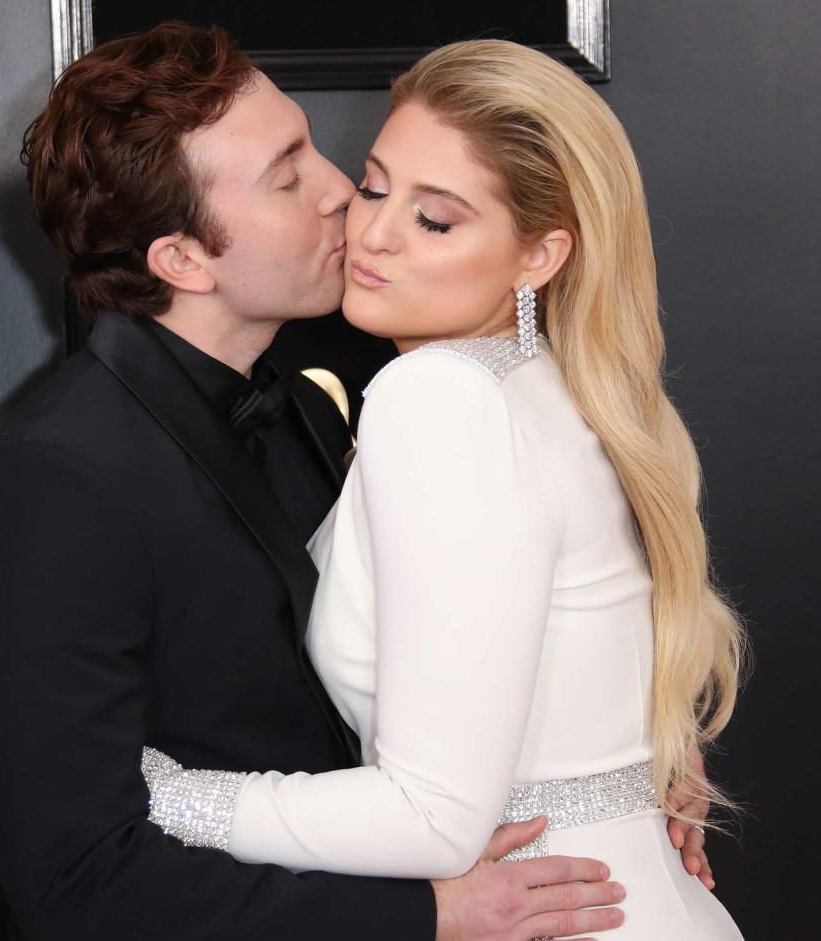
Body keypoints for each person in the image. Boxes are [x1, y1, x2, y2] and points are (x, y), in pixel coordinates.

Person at [0, 22, 711, 941]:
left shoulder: (366, 380)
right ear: (181, 260)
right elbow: (80, 883)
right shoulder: (52, 486)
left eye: (315, 146)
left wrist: (625, 766)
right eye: (287, 175)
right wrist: (420, 915)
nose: (342, 195)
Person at [139, 38, 746, 938]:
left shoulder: (439, 398)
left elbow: (431, 816)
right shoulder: (561, 385)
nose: (373, 233)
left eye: (437, 221)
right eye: (377, 187)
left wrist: (165, 795)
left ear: (539, 255)